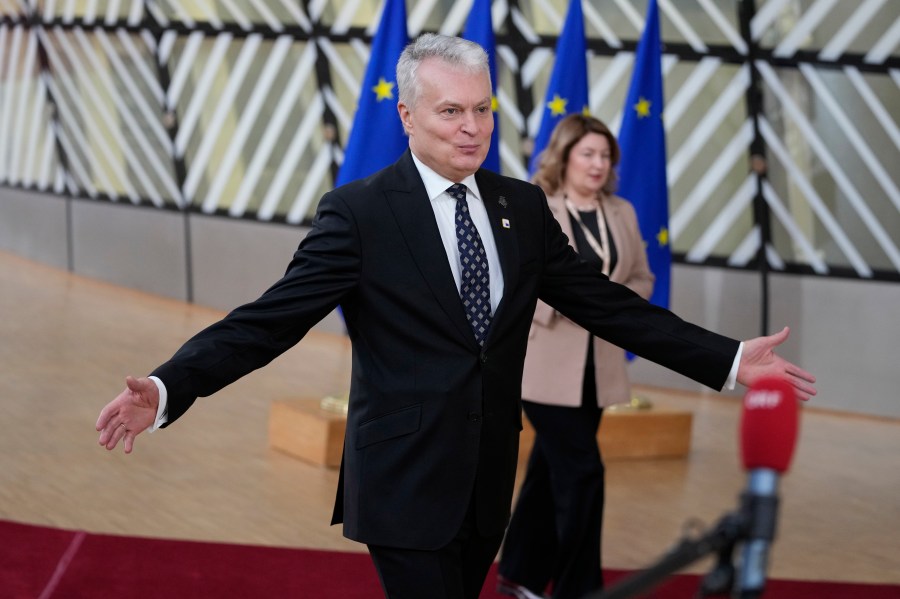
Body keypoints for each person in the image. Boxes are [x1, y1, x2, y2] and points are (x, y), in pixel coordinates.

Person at [95, 34, 816, 599]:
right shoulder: (360, 215)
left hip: (486, 480)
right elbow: (268, 320)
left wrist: (725, 358)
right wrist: (167, 388)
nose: (472, 128)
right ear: (407, 115)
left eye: (482, 109)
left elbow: (607, 304)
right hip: (402, 481)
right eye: (451, 111)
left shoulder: (522, 207)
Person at [497, 114, 653, 599]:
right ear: (563, 157)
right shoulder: (535, 205)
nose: (598, 164)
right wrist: (574, 305)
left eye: (605, 155)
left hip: (598, 368)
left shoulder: (622, 211)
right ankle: (579, 589)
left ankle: (519, 573)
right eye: (587, 153)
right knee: (584, 471)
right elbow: (516, 275)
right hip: (544, 366)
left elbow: (642, 276)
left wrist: (617, 313)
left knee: (551, 470)